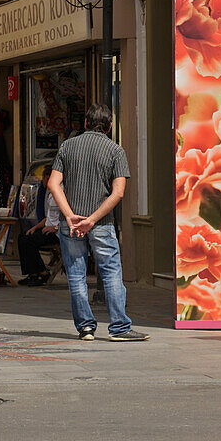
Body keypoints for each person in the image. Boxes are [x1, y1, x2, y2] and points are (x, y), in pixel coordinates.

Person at [48, 104, 149, 343]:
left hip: (70, 223)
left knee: (76, 274)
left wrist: (71, 215)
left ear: (85, 123)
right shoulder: (115, 151)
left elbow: (53, 184)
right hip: (101, 223)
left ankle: (85, 328)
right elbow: (118, 193)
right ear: (110, 126)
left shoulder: (67, 147)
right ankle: (119, 327)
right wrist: (92, 219)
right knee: (111, 272)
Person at [17, 165, 60, 286]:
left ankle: (42, 271)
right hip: (47, 228)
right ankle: (32, 273)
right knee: (23, 237)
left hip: (58, 232)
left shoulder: (60, 193)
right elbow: (49, 218)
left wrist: (55, 228)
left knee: (30, 242)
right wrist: (35, 227)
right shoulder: (50, 194)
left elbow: (67, 216)